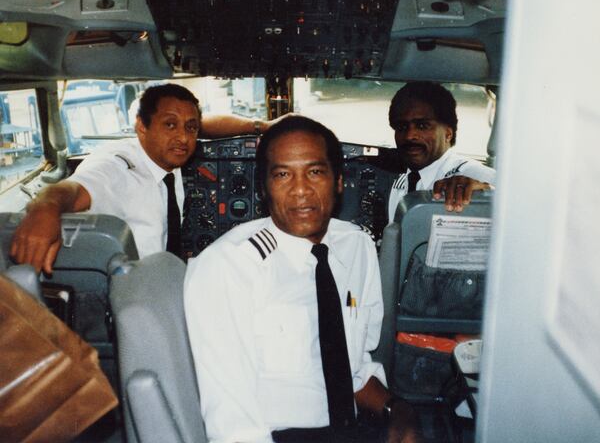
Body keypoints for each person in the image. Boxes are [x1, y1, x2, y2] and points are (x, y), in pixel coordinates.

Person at [184, 115, 421, 443]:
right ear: (264, 187)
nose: (299, 190)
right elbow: (232, 422)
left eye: (315, 172)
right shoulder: (227, 268)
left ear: (338, 181)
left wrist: (398, 410)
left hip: (352, 430)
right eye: (282, 174)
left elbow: (352, 369)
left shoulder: (357, 247)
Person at [10, 83, 273, 274]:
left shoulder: (166, 158)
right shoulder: (118, 165)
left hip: (162, 276)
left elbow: (203, 124)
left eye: (190, 128)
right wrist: (45, 209)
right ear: (141, 126)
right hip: (135, 293)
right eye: (170, 125)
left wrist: (263, 127)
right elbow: (73, 189)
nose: (183, 137)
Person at [387, 82, 496, 222]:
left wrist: (487, 192)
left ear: (448, 134)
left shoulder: (470, 174)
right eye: (402, 127)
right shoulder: (400, 179)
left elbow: (516, 201)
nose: (409, 136)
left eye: (422, 126)